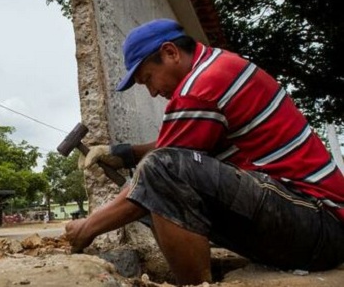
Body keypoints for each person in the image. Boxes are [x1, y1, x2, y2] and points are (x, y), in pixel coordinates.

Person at [63, 18, 344, 285]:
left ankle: (195, 285)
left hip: (319, 223)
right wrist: (123, 153)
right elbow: (173, 150)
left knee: (159, 174)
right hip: (310, 225)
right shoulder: (215, 66)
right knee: (155, 187)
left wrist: (86, 228)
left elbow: (164, 165)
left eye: (148, 79)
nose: (151, 91)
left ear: (171, 52)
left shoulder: (200, 86)